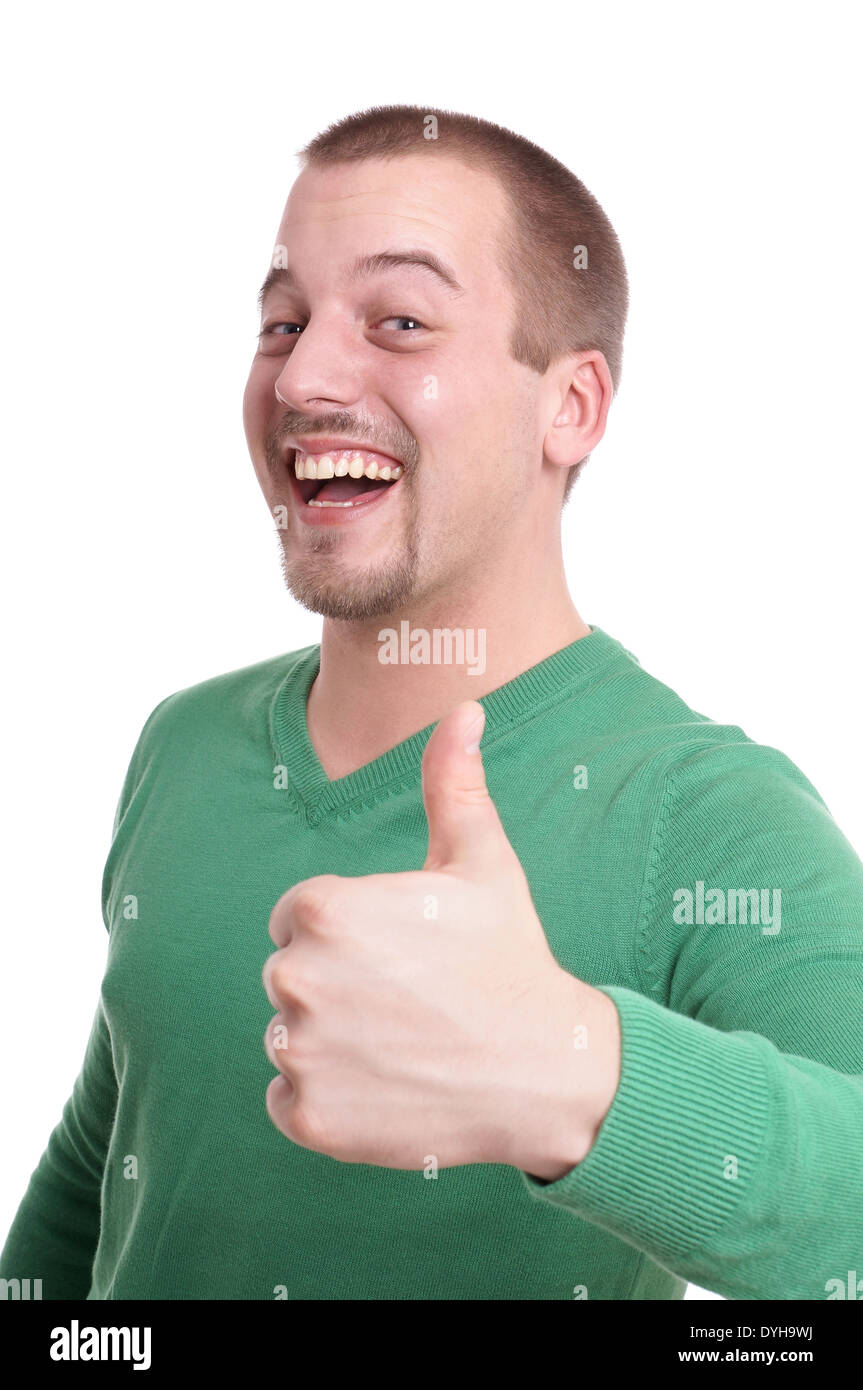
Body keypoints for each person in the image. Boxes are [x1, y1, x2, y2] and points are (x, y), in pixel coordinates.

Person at [2, 105, 861, 1302]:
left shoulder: (703, 809)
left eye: (398, 321)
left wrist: (563, 1070)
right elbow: (113, 1160)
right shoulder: (181, 741)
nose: (302, 377)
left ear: (570, 407)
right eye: (282, 322)